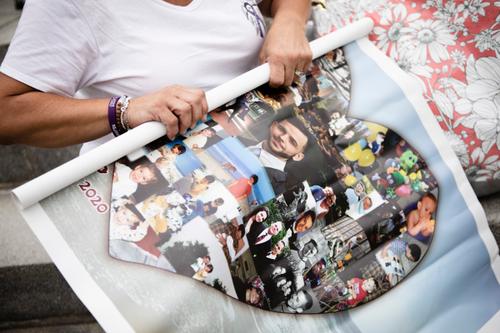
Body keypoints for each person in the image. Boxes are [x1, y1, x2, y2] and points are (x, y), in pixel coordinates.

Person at [0, 0, 312, 149]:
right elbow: (6, 111)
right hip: (153, 199)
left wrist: (290, 19)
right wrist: (127, 109)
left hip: (254, 175)